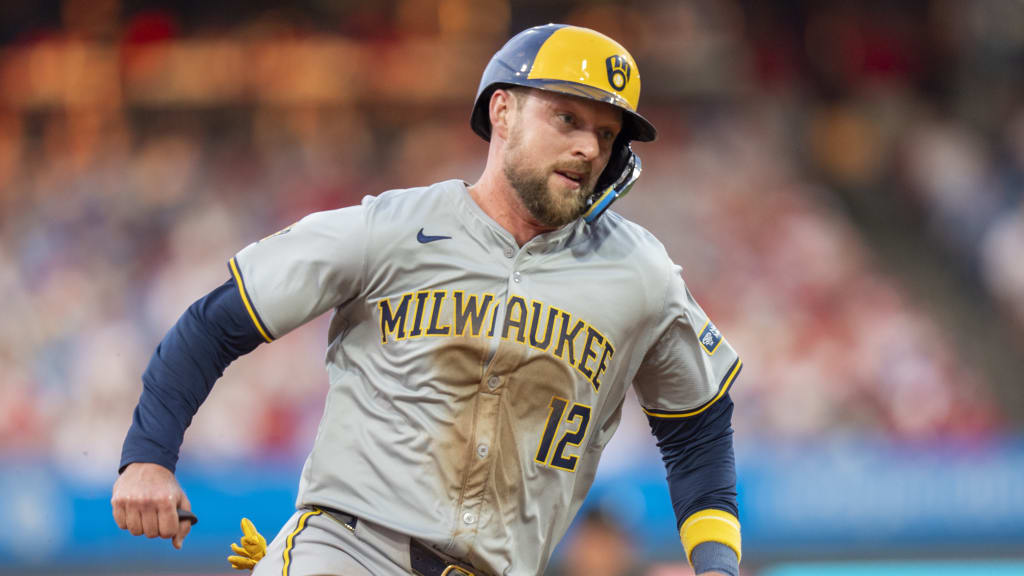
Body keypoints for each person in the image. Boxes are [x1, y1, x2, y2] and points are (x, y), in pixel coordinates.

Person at [111, 23, 743, 576]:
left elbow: (698, 428)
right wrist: (147, 458)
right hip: (351, 549)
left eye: (606, 134)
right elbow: (215, 323)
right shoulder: (388, 229)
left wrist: (716, 566)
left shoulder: (639, 272)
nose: (588, 148)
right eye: (566, 119)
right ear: (502, 112)